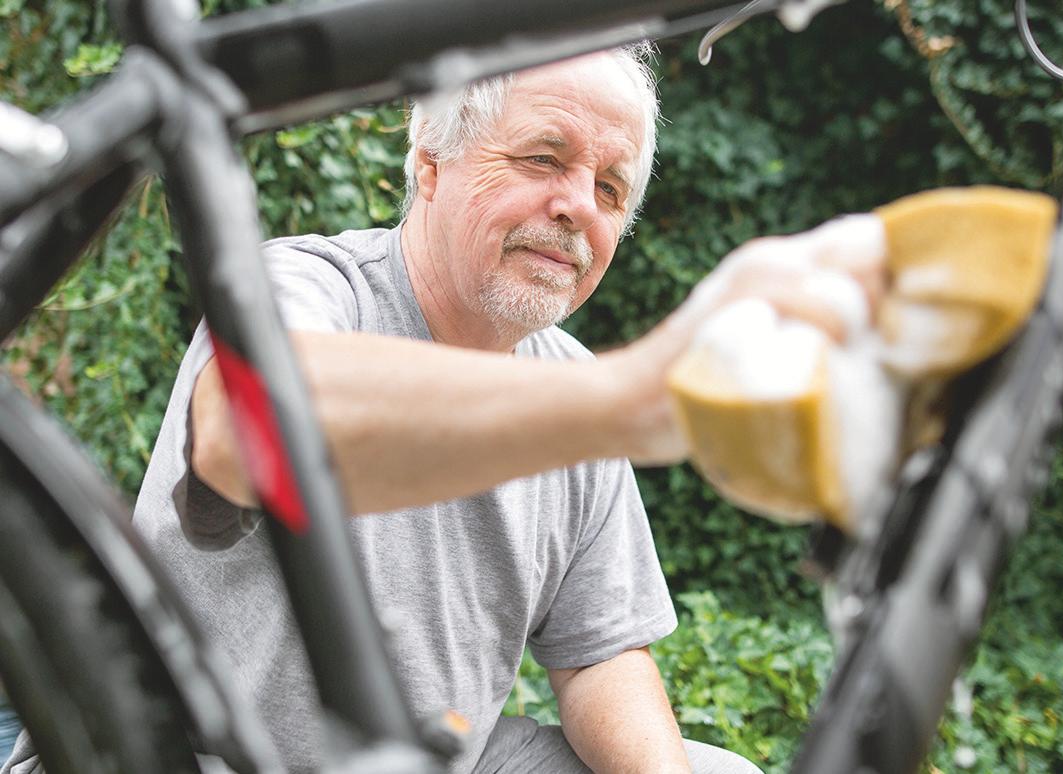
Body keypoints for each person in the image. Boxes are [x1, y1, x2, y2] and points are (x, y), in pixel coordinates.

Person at [3, 45, 865, 774]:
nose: (576, 207)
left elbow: (602, 655)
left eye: (610, 189)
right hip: (190, 750)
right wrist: (637, 395)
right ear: (430, 162)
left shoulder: (573, 386)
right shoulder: (302, 286)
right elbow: (244, 434)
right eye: (542, 159)